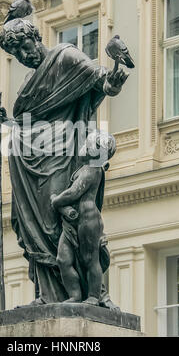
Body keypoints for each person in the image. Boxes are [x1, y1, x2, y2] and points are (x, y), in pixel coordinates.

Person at [0, 17, 129, 306]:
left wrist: (112, 84)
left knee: (59, 220)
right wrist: (8, 121)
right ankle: (47, 293)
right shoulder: (29, 81)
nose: (24, 56)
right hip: (31, 163)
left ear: (35, 37)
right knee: (32, 224)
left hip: (65, 154)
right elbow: (30, 123)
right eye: (16, 54)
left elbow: (100, 80)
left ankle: (89, 295)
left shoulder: (66, 56)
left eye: (25, 47)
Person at [50, 131, 116, 306]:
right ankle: (75, 295)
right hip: (73, 222)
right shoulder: (86, 168)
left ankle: (94, 296)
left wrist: (56, 200)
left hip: (88, 220)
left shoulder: (92, 170)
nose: (84, 147)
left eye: (88, 144)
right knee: (63, 259)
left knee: (90, 259)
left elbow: (74, 192)